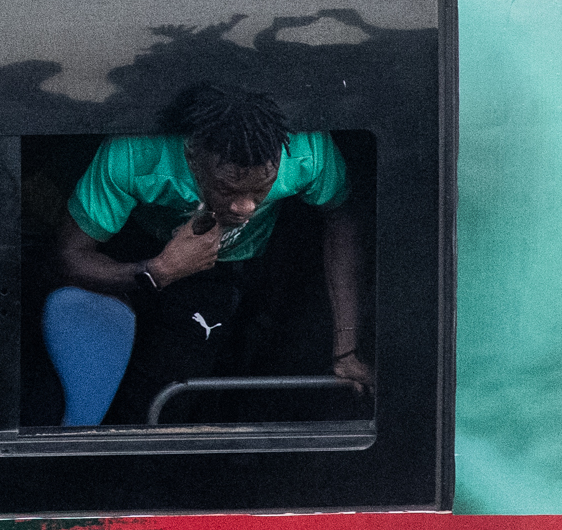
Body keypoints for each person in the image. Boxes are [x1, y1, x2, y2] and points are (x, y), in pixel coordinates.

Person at [48, 82, 366, 426]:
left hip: (233, 267)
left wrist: (346, 348)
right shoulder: (136, 152)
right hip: (139, 249)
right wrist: (157, 271)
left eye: (261, 189)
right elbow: (69, 256)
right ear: (192, 156)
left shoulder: (308, 150)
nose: (245, 207)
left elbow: (342, 218)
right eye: (227, 189)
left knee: (176, 392)